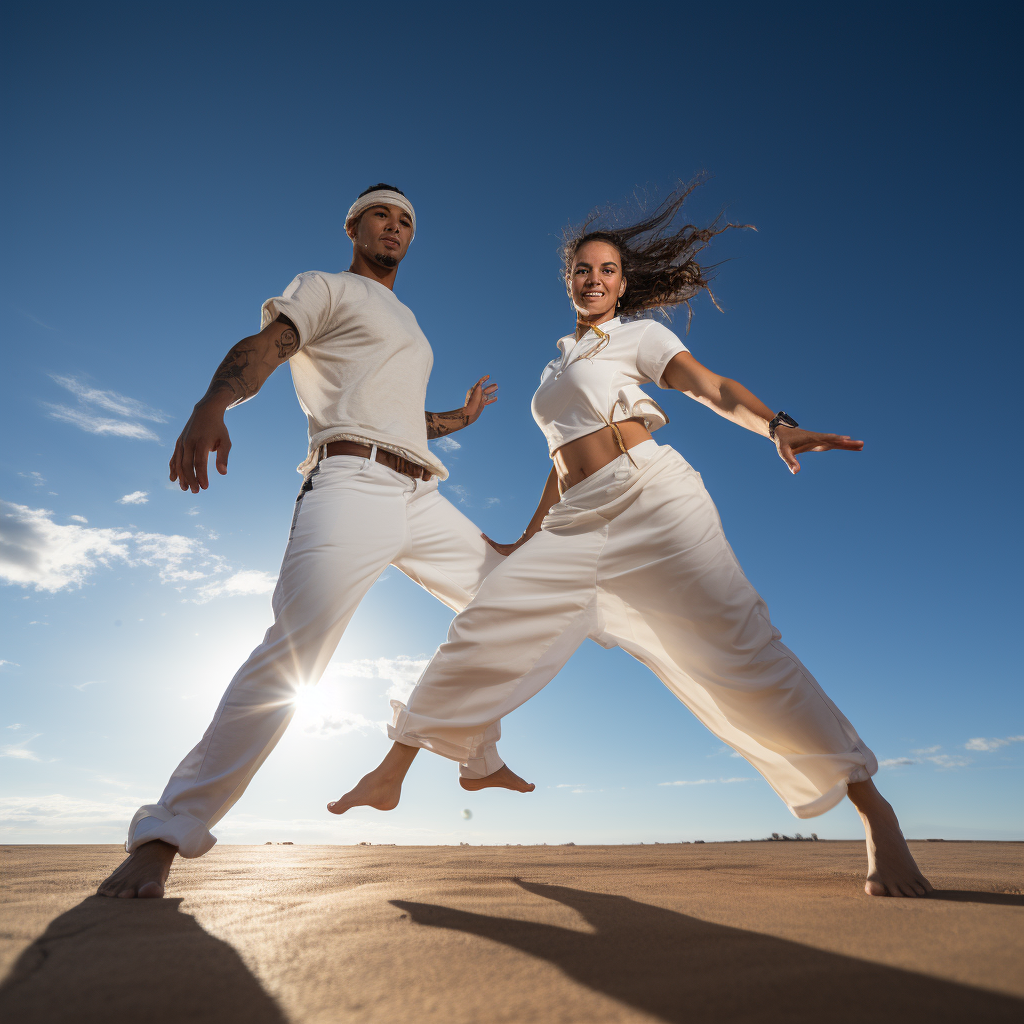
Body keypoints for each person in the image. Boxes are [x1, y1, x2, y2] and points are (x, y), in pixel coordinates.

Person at [329, 182, 934, 899]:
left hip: (652, 499)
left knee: (743, 651)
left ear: (623, 284)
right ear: (569, 281)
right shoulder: (554, 365)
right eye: (582, 269)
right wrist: (527, 538)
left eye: (607, 270)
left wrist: (777, 424)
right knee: (489, 617)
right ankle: (392, 772)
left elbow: (712, 387)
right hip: (575, 519)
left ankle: (875, 815)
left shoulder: (641, 337)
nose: (594, 279)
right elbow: (558, 463)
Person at [98, 183, 523, 899]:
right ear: (354, 226)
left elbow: (401, 416)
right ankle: (167, 832)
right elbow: (267, 347)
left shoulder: (410, 322)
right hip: (348, 483)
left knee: (518, 595)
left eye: (406, 221)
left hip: (418, 490)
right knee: (292, 656)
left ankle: (473, 753)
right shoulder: (324, 287)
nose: (395, 227)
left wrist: (463, 417)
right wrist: (212, 403)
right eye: (382, 216)